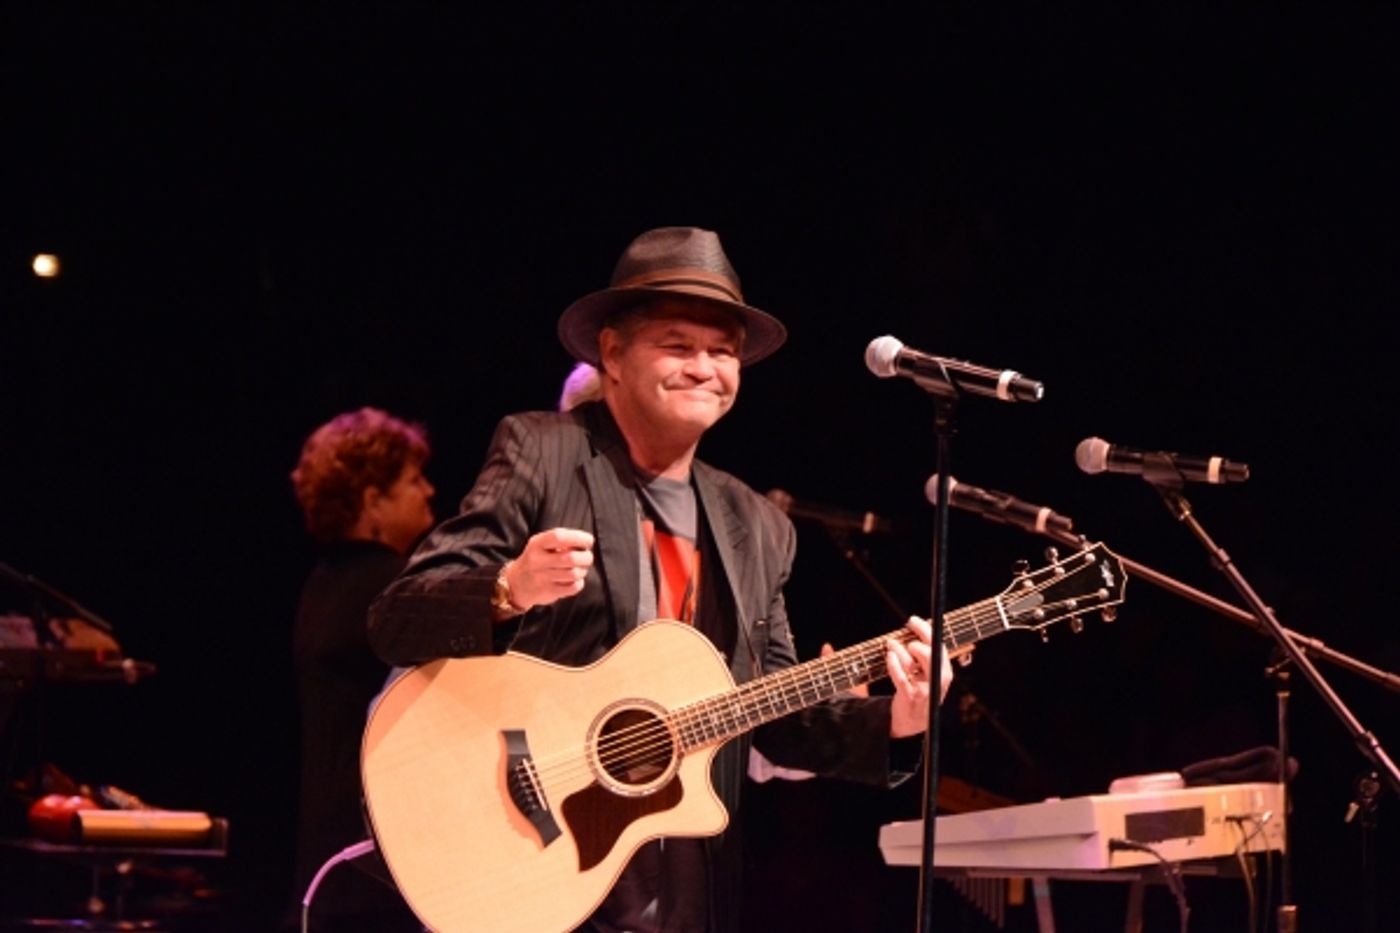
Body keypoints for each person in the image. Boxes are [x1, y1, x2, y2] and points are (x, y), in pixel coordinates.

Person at [367, 226, 951, 933]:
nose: (705, 367)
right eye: (678, 345)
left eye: (724, 351)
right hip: (530, 860)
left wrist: (901, 718)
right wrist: (508, 586)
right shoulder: (542, 452)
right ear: (612, 353)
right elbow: (396, 615)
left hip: (685, 888)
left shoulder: (757, 525)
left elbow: (776, 716)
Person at [287, 406, 436, 932]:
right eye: (413, 480)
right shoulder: (392, 588)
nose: (429, 492)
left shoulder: (320, 585)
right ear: (373, 501)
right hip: (379, 859)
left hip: (326, 851)